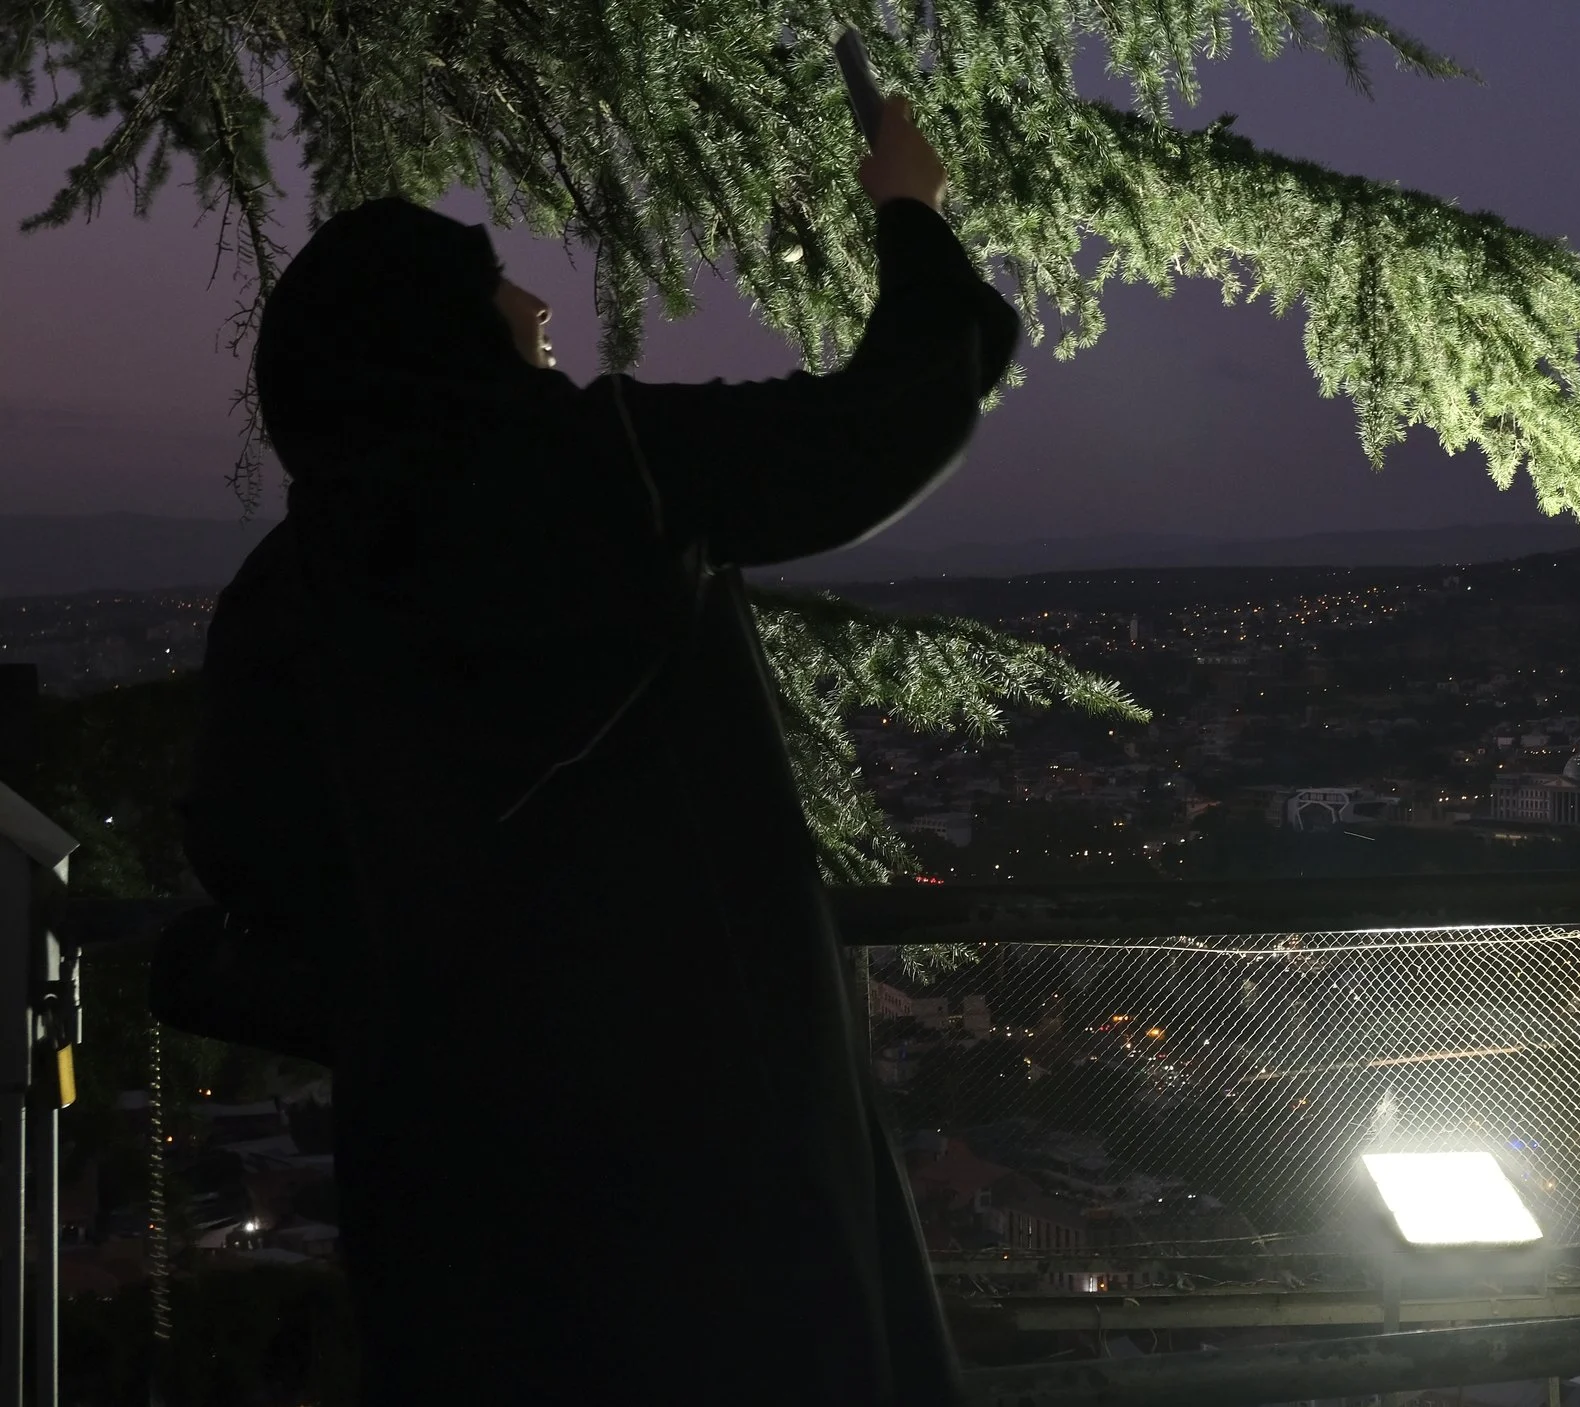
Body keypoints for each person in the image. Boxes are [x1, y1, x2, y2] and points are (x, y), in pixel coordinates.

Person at [172, 96, 1014, 1403]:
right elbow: (888, 419)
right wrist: (909, 207)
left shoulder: (283, 599)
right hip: (713, 1147)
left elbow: (252, 867)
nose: (540, 314)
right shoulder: (606, 468)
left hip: (460, 1182)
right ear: (439, 322)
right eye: (501, 291)